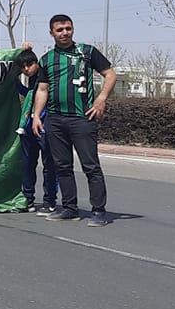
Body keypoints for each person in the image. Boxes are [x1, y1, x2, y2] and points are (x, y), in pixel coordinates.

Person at [31, 14, 117, 226]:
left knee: (91, 166)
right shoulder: (46, 59)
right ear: (51, 33)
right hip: (55, 120)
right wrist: (36, 116)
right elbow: (42, 89)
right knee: (62, 166)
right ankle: (69, 208)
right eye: (59, 30)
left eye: (68, 28)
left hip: (82, 119)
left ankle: (99, 211)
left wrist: (101, 99)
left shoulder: (87, 52)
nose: (65, 33)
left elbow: (110, 74)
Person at [15, 48, 58, 213]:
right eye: (23, 67)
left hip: (45, 126)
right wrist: (17, 84)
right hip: (27, 126)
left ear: (36, 63)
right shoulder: (31, 80)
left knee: (49, 165)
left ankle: (49, 201)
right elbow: (29, 95)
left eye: (29, 65)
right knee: (27, 164)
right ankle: (28, 199)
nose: (26, 69)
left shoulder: (45, 76)